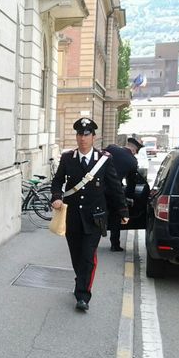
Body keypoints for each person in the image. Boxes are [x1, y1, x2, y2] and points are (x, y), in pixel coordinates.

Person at [51, 118, 129, 312]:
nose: (82, 138)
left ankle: (83, 296)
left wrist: (122, 210)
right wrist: (56, 197)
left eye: (86, 134)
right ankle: (81, 280)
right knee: (76, 255)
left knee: (87, 256)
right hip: (72, 217)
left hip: (95, 218)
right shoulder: (68, 158)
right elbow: (57, 181)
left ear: (93, 137)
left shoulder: (104, 160)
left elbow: (115, 187)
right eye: (80, 134)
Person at [104, 137, 141, 251]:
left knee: (97, 213)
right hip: (115, 190)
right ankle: (115, 244)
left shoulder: (111, 148)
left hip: (99, 187)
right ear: (134, 150)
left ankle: (91, 242)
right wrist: (129, 196)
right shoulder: (133, 161)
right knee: (116, 217)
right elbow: (131, 182)